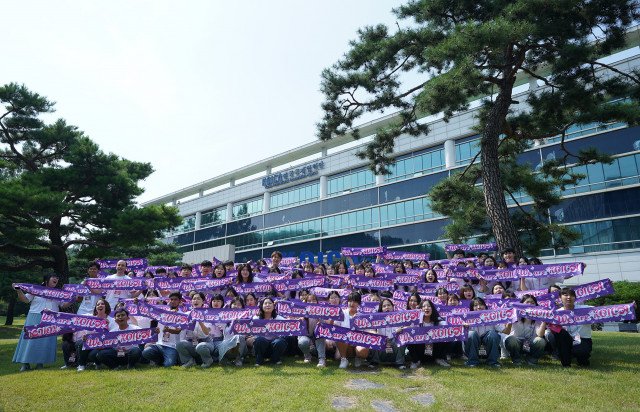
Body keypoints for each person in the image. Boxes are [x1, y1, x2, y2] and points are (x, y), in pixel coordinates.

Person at [13, 274, 72, 371]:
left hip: (50, 318)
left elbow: (63, 305)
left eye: (57, 278)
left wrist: (72, 299)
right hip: (35, 316)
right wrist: (18, 290)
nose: (56, 279)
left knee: (44, 342)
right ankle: (25, 363)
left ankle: (40, 363)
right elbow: (25, 299)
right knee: (29, 340)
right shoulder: (36, 289)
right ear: (46, 280)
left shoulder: (58, 293)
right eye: (53, 277)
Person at [550, 288, 593, 367]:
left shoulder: (585, 309)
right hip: (566, 340)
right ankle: (566, 363)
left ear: (575, 298)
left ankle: (582, 360)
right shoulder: (557, 313)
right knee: (560, 333)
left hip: (583, 339)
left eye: (571, 295)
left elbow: (602, 311)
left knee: (581, 354)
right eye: (565, 295)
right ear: (560, 298)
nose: (569, 297)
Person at [141, 292, 184, 367]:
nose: (173, 301)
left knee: (168, 365)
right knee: (146, 352)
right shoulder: (162, 312)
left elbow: (178, 331)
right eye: (171, 299)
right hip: (159, 344)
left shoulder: (182, 315)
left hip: (172, 346)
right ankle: (159, 361)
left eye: (175, 299)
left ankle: (170, 359)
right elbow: (149, 311)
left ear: (180, 301)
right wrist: (142, 303)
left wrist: (169, 330)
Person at [177, 293, 218, 368]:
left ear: (203, 302)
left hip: (205, 342)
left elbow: (206, 332)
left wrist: (200, 321)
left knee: (201, 346)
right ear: (191, 302)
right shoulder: (187, 315)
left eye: (198, 299)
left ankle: (207, 361)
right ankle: (189, 361)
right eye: (194, 299)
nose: (196, 300)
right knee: (180, 344)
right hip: (191, 342)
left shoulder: (207, 315)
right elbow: (182, 330)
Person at [463, 297, 508, 367]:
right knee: (471, 334)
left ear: (485, 306)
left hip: (488, 338)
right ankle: (472, 361)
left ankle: (493, 362)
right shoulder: (467, 317)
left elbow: (506, 331)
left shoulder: (492, 316)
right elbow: (460, 334)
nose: (479, 307)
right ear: (472, 308)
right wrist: (463, 326)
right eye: (475, 305)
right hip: (474, 340)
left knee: (493, 334)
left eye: (481, 304)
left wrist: (510, 321)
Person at [504, 295, 547, 366]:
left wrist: (544, 321)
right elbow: (507, 332)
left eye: (532, 303)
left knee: (540, 341)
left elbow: (540, 334)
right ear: (521, 304)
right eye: (527, 302)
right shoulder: (515, 314)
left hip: (530, 344)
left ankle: (532, 360)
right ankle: (516, 360)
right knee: (511, 339)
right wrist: (510, 319)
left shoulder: (538, 317)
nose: (530, 304)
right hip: (517, 343)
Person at [407, 300, 450, 368]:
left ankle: (440, 359)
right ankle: (415, 361)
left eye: (429, 306)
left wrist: (462, 325)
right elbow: (407, 328)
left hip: (434, 351)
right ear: (420, 310)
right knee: (410, 337)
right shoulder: (416, 322)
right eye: (423, 306)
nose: (426, 308)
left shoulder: (438, 321)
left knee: (446, 334)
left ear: (432, 309)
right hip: (420, 351)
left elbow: (449, 325)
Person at [75, 298, 114, 371]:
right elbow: (88, 334)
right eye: (98, 304)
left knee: (92, 354)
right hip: (93, 343)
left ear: (106, 307)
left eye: (102, 304)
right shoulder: (92, 319)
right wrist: (85, 337)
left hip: (105, 344)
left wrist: (107, 326)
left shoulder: (112, 320)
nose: (100, 305)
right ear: (96, 308)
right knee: (81, 343)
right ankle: (81, 365)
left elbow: (113, 336)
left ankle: (98, 363)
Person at [335, 292, 369, 369]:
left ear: (359, 304)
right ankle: (344, 359)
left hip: (358, 342)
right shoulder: (342, 313)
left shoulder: (362, 316)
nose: (352, 303)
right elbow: (336, 328)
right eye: (350, 301)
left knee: (363, 351)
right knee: (337, 356)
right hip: (345, 342)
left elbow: (368, 331)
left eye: (355, 301)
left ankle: (358, 358)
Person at [251, 297, 288, 366]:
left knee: (280, 341)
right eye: (265, 303)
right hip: (261, 346)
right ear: (261, 306)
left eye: (270, 303)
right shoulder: (256, 318)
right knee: (259, 340)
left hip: (274, 346)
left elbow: (289, 325)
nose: (268, 305)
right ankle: (259, 360)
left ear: (273, 306)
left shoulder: (279, 318)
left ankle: (275, 359)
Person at [371, 298, 406, 369]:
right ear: (381, 309)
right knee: (373, 338)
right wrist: (375, 333)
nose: (387, 307)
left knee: (402, 338)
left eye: (389, 305)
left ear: (393, 307)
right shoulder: (377, 319)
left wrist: (399, 330)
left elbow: (404, 328)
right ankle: (374, 362)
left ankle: (400, 363)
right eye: (384, 306)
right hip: (382, 346)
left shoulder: (399, 318)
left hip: (394, 345)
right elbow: (371, 330)